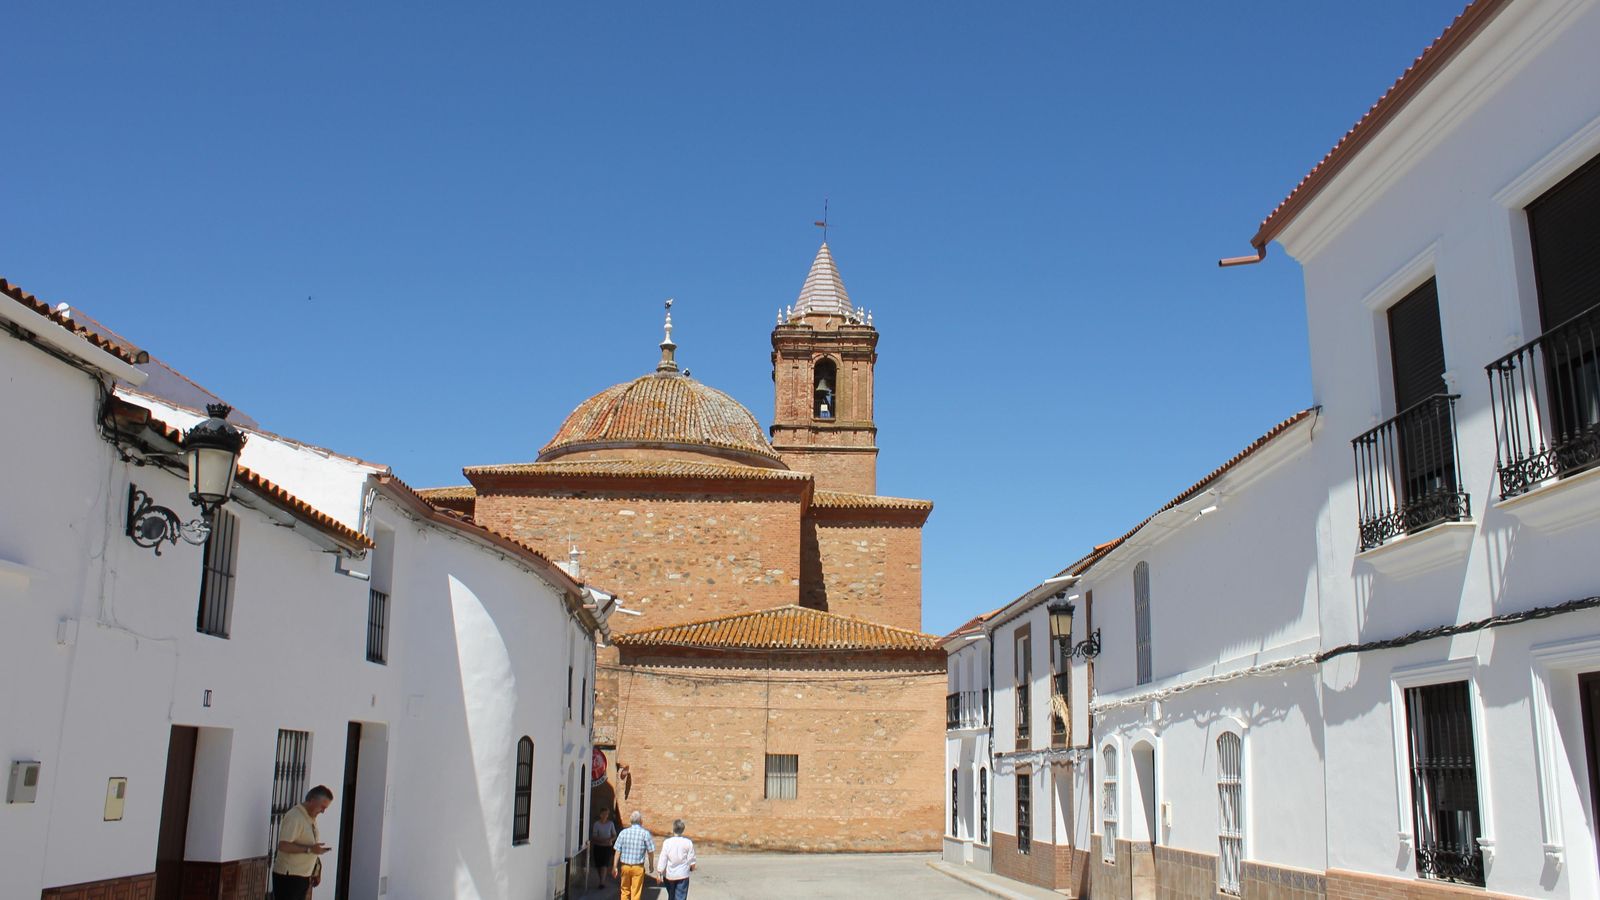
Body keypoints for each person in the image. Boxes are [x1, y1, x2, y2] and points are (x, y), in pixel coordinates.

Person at [272, 785, 333, 900]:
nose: (323, 811)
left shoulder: (309, 818)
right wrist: (309, 849)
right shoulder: (295, 817)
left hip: (302, 876)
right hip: (289, 877)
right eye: (322, 807)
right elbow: (283, 845)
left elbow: (312, 844)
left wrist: (316, 869)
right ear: (312, 801)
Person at [610, 810, 655, 900]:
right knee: (636, 892)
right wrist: (651, 865)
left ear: (630, 821)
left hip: (625, 866)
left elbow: (617, 851)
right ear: (641, 821)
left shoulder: (623, 833)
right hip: (638, 867)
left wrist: (614, 866)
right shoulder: (645, 833)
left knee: (624, 890)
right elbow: (650, 851)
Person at [655, 818, 696, 900]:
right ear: (683, 829)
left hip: (669, 875)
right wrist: (692, 867)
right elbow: (691, 859)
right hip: (683, 874)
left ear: (673, 829)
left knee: (671, 896)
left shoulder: (667, 842)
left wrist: (659, 872)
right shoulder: (688, 842)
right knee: (681, 897)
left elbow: (663, 858)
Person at [590, 807, 618, 887]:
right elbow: (594, 836)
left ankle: (602, 882)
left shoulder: (610, 824)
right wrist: (602, 840)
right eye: (604, 814)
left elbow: (614, 835)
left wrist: (610, 840)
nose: (606, 815)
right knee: (598, 865)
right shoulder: (596, 824)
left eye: (607, 814)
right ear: (600, 815)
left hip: (607, 847)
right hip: (598, 847)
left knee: (604, 864)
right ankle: (601, 879)